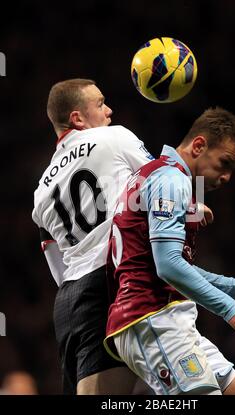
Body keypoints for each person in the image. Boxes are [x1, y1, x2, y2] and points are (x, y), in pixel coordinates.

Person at [104, 107, 235, 395]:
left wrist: (232, 287)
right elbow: (168, 266)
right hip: (151, 316)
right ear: (199, 146)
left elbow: (171, 264)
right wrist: (231, 310)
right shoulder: (170, 179)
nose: (227, 177)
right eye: (224, 163)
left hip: (172, 316)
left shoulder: (159, 175)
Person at [32, 78, 158, 395]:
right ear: (77, 117)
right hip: (114, 281)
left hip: (69, 303)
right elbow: (161, 182)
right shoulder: (113, 138)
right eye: (101, 103)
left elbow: (58, 270)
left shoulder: (40, 190)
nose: (109, 110)